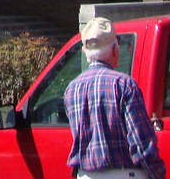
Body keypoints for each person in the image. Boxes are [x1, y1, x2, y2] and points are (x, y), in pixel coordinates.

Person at [64, 16, 166, 179]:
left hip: (86, 175)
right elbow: (141, 144)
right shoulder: (123, 85)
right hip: (125, 174)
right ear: (115, 50)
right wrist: (157, 174)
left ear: (86, 53)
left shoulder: (71, 89)